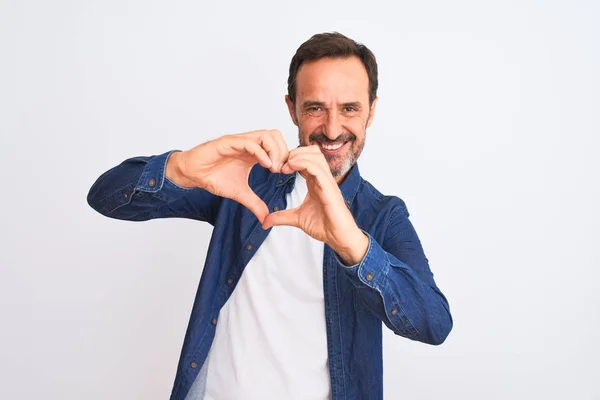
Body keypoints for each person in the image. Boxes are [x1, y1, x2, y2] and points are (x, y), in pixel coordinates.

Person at [87, 32, 453, 400]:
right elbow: (105, 197)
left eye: (349, 108)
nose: (331, 128)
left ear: (371, 111)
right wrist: (181, 167)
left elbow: (434, 323)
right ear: (292, 108)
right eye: (315, 108)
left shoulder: (384, 214)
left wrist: (353, 245)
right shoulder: (245, 180)